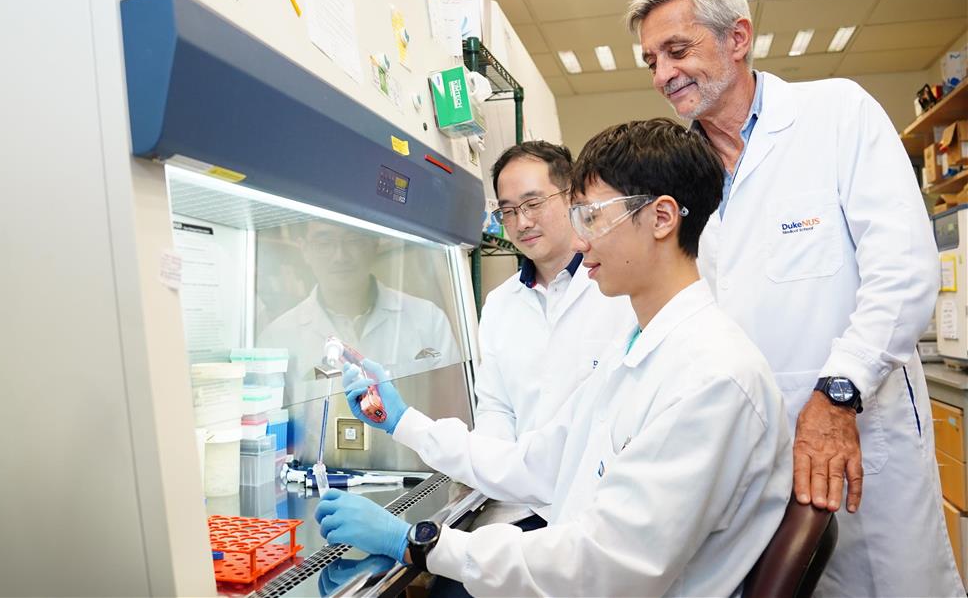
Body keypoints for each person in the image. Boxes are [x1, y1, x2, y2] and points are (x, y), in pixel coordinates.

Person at [315, 119, 792, 596]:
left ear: (662, 218)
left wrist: (418, 544)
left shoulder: (711, 378)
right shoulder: (635, 350)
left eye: (593, 217)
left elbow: (602, 566)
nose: (581, 242)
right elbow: (536, 464)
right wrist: (403, 421)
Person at [627, 0, 961, 595]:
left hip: (862, 435)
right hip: (754, 468)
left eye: (677, 50)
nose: (662, 74)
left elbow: (904, 274)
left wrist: (838, 395)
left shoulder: (836, 115)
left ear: (737, 38)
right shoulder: (682, 177)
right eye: (651, 61)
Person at [464, 141, 636, 529]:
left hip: (599, 504)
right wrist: (497, 471)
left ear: (571, 197)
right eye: (508, 211)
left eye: (533, 203)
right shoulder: (499, 304)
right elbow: (496, 407)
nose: (522, 222)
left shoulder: (618, 289)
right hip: (519, 505)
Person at [258, 220, 460, 460]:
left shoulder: (427, 319)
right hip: (316, 476)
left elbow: (454, 411)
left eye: (353, 240)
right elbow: (270, 429)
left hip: (411, 473)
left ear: (374, 244)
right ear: (305, 249)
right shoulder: (279, 335)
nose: (340, 256)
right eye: (324, 242)